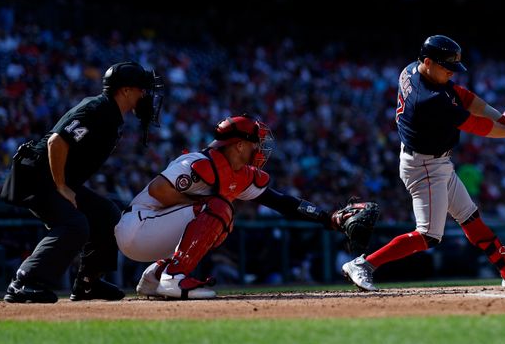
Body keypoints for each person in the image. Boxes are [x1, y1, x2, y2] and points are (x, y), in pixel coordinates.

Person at [341, 35, 505, 291]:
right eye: (446, 67)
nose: (450, 73)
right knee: (428, 235)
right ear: (428, 62)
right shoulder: (429, 99)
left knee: (471, 218)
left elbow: (464, 97)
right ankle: (364, 265)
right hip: (423, 166)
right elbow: (475, 125)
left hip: (435, 162)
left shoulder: (413, 70)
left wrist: (502, 119)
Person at [115, 113, 379, 299]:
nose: (260, 148)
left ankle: (156, 275)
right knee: (219, 209)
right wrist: (203, 203)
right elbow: (158, 190)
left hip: (152, 231)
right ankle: (175, 277)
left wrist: (328, 218)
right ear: (239, 145)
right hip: (137, 225)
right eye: (256, 142)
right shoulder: (199, 162)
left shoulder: (238, 173)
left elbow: (280, 202)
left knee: (221, 215)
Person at [0, 61, 164, 303]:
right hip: (37, 177)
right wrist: (61, 186)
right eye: (141, 88)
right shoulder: (97, 109)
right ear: (126, 90)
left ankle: (88, 283)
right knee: (74, 224)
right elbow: (56, 142)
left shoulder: (112, 114)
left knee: (106, 214)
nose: (145, 94)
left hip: (53, 177)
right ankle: (25, 281)